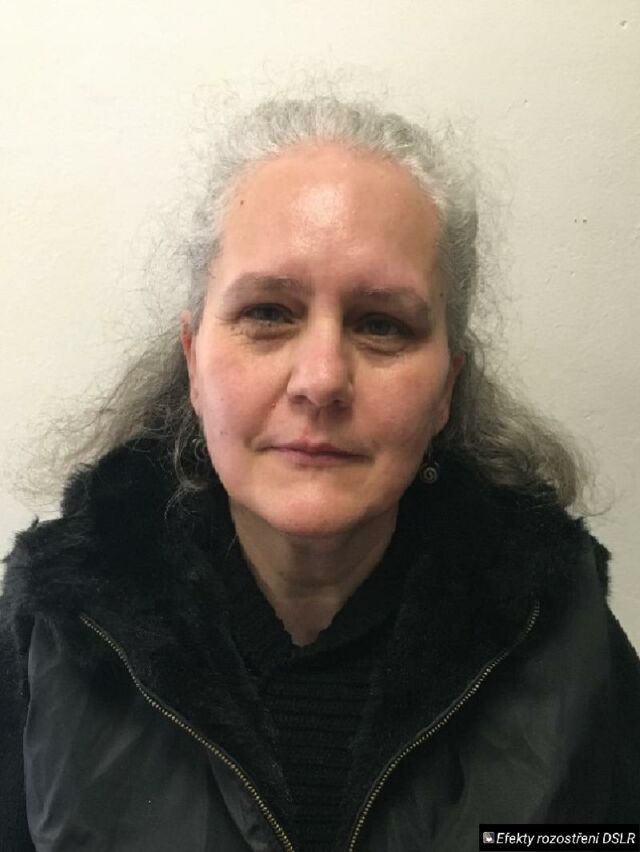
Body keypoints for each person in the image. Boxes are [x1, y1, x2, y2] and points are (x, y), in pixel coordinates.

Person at [1, 96, 638, 852]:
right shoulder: (55, 632)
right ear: (194, 363)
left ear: (447, 388)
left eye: (382, 324)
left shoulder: (557, 634)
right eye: (269, 313)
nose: (323, 379)